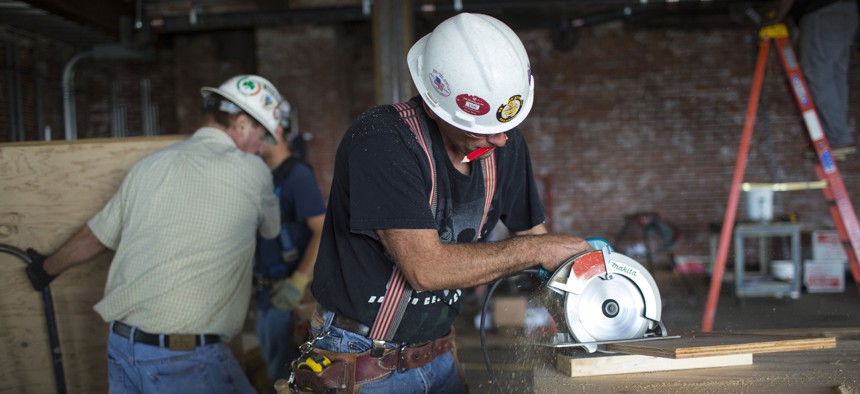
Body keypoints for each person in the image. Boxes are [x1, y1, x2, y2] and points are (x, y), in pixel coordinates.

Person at [294, 13, 591, 393]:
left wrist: (583, 315)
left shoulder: (505, 144)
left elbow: (536, 239)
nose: (500, 139)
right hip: (361, 357)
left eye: (505, 126)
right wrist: (538, 249)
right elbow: (425, 269)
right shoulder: (383, 142)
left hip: (439, 353)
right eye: (481, 129)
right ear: (435, 107)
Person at [24, 74, 285, 394]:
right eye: (261, 134)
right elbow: (271, 230)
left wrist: (44, 269)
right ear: (242, 124)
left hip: (123, 348)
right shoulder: (254, 171)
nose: (262, 147)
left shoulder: (149, 165)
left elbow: (94, 237)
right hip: (186, 359)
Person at [253, 99, 326, 384]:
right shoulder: (264, 175)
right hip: (267, 294)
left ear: (276, 131)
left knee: (288, 379)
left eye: (259, 130)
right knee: (275, 371)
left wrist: (298, 282)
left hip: (289, 297)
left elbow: (322, 230)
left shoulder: (297, 175)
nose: (252, 139)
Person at [774, 0, 858, 154]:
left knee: (818, 75)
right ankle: (837, 135)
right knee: (834, 76)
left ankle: (836, 137)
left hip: (821, 12)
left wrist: (776, 17)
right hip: (846, 10)